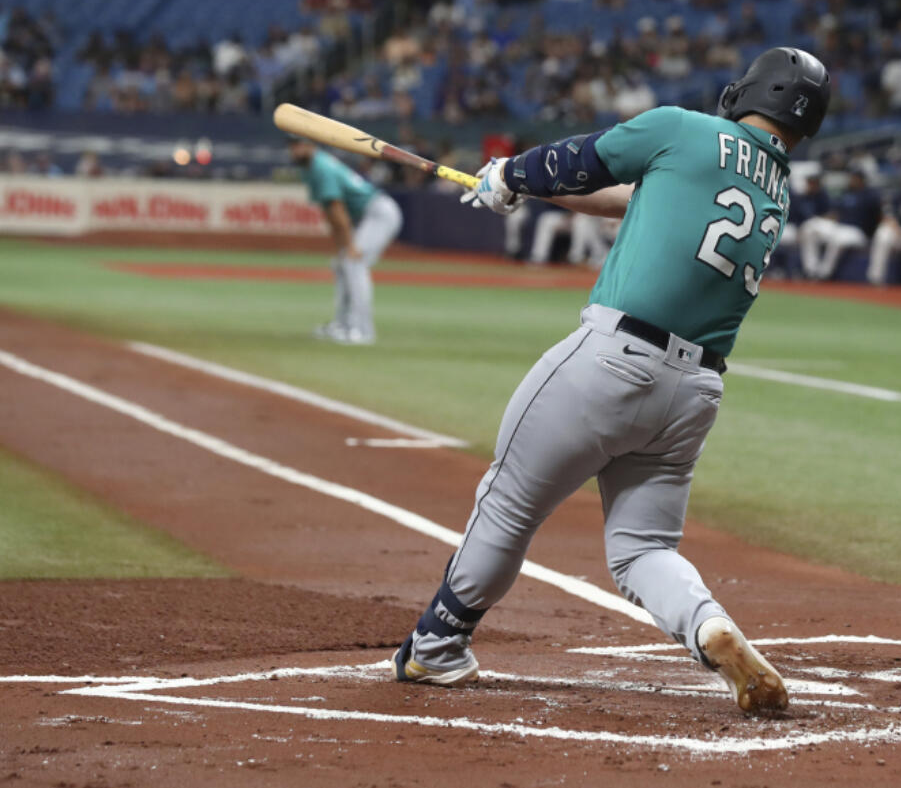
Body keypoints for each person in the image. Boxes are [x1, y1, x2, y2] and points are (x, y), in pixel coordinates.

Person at [394, 47, 832, 713]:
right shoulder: (775, 187)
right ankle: (707, 624)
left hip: (611, 361)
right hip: (693, 393)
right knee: (642, 547)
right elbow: (635, 198)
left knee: (509, 500)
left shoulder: (683, 128)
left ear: (750, 90)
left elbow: (578, 160)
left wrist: (510, 172)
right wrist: (520, 187)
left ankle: (436, 645)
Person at [287, 138, 403, 345]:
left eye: (298, 145)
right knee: (342, 264)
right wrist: (343, 246)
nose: (294, 150)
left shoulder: (321, 167)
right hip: (368, 215)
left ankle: (362, 330)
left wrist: (348, 246)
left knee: (353, 263)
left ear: (311, 146)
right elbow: (330, 212)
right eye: (292, 145)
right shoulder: (311, 167)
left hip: (379, 213)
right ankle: (343, 324)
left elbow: (338, 211)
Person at [797, 167, 881, 280]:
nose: (852, 180)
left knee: (838, 238)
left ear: (862, 180)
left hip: (858, 232)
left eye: (855, 178)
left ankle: (823, 274)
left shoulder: (870, 196)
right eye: (852, 177)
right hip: (840, 227)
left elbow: (877, 217)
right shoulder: (846, 192)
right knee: (809, 227)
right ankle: (811, 270)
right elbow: (836, 212)